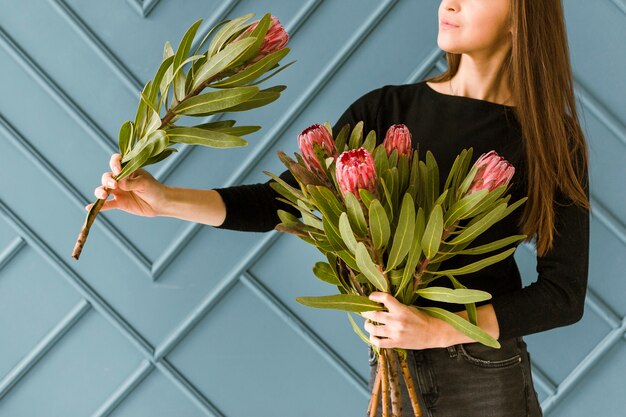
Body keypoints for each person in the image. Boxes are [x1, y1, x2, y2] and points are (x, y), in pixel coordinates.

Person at [89, 0, 590, 415]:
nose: (449, 3)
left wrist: (438, 329)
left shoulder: (549, 139)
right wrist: (163, 200)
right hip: (392, 374)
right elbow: (279, 202)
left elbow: (563, 295)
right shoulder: (387, 110)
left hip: (485, 375)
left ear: (521, 14)